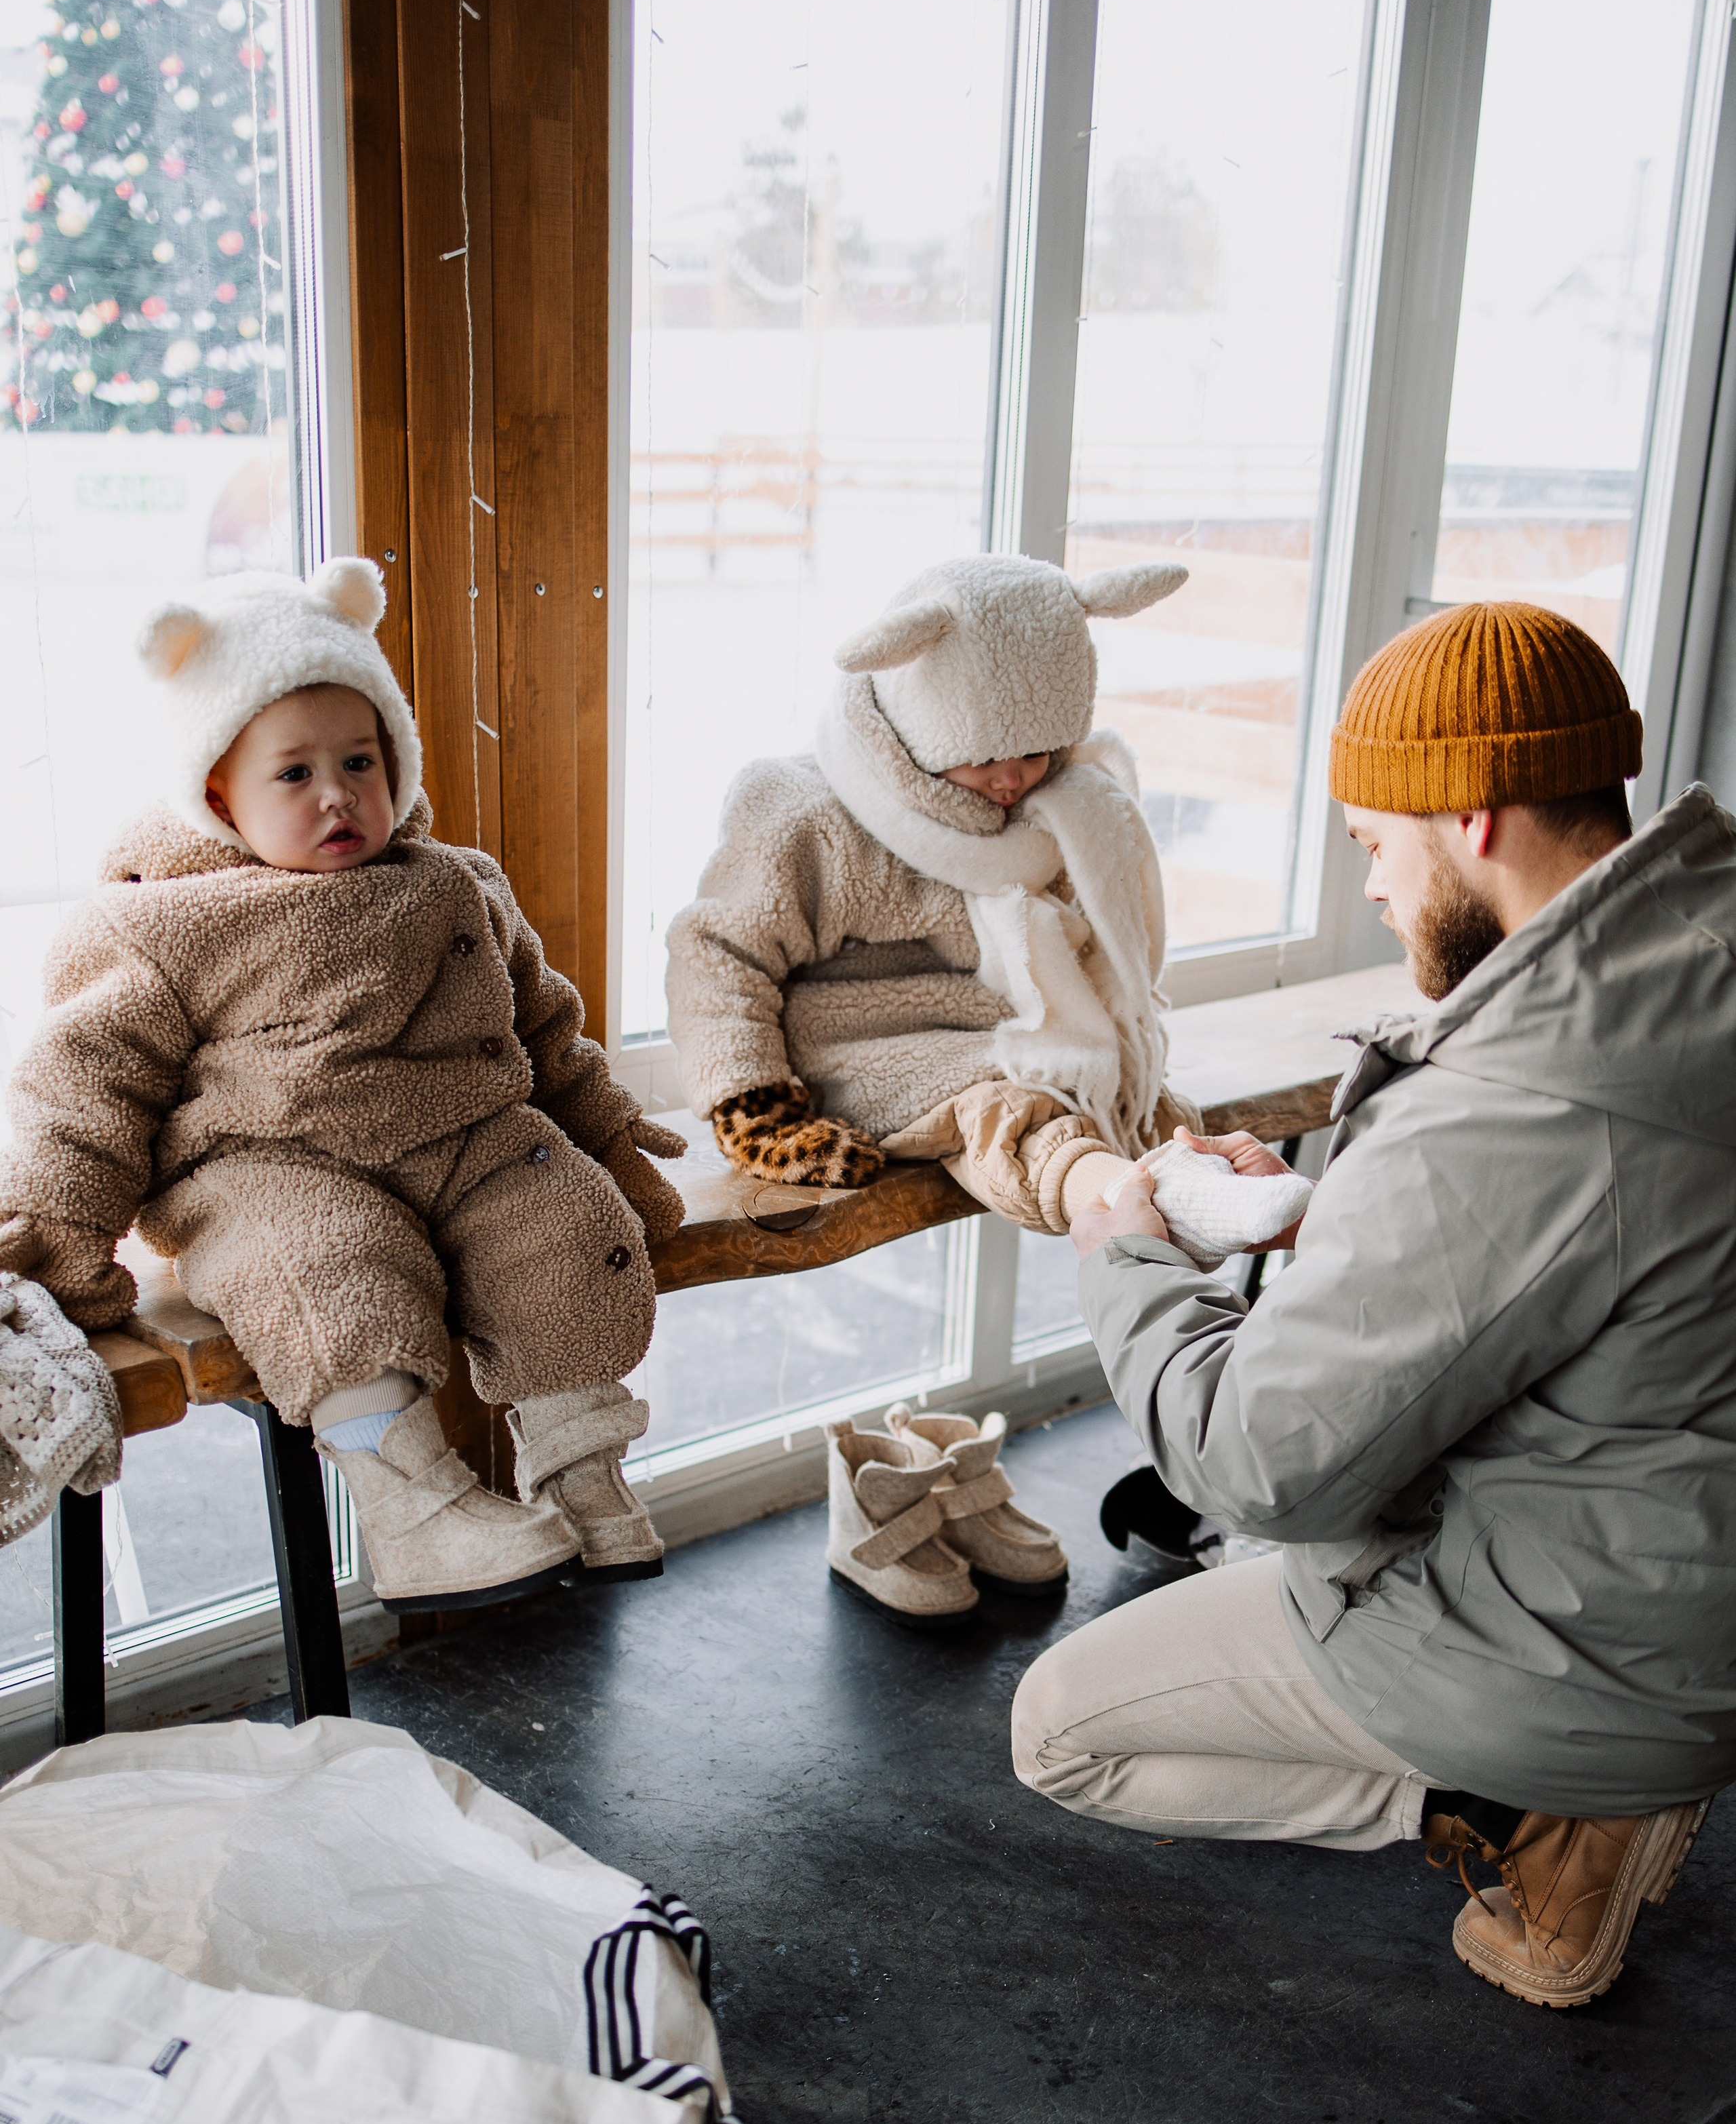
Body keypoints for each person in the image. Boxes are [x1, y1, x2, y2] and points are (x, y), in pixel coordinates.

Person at [1012, 599, 1734, 2009]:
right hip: (1680, 1574)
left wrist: (1124, 1251)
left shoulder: (1519, 1105)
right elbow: (1607, 1248)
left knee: (1059, 1731)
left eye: (1372, 845)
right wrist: (1335, 1215)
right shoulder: (1690, 964)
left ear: (1470, 816)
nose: (1371, 891)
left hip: (1594, 1660)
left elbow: (1255, 1465)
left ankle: (1524, 1816)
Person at [0, 559, 686, 1611]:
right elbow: (82, 1089)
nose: (337, 795)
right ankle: (413, 1512)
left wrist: (606, 1137)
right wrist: (54, 1239)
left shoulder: (454, 882)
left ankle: (582, 1468)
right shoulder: (160, 924)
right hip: (266, 1165)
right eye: (294, 774)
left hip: (464, 1139)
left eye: (360, 761)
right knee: (328, 1274)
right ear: (217, 793)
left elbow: (544, 1025)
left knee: (561, 1227)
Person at [665, 551, 1296, 1257]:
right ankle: (1144, 1199)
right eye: (987, 753)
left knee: (1126, 1094)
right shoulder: (807, 820)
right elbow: (718, 955)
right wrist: (754, 1109)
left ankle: (1206, 1187)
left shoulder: (1058, 806)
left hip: (1000, 1026)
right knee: (1010, 1112)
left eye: (1037, 749)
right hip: (861, 1048)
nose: (1012, 778)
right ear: (921, 715)